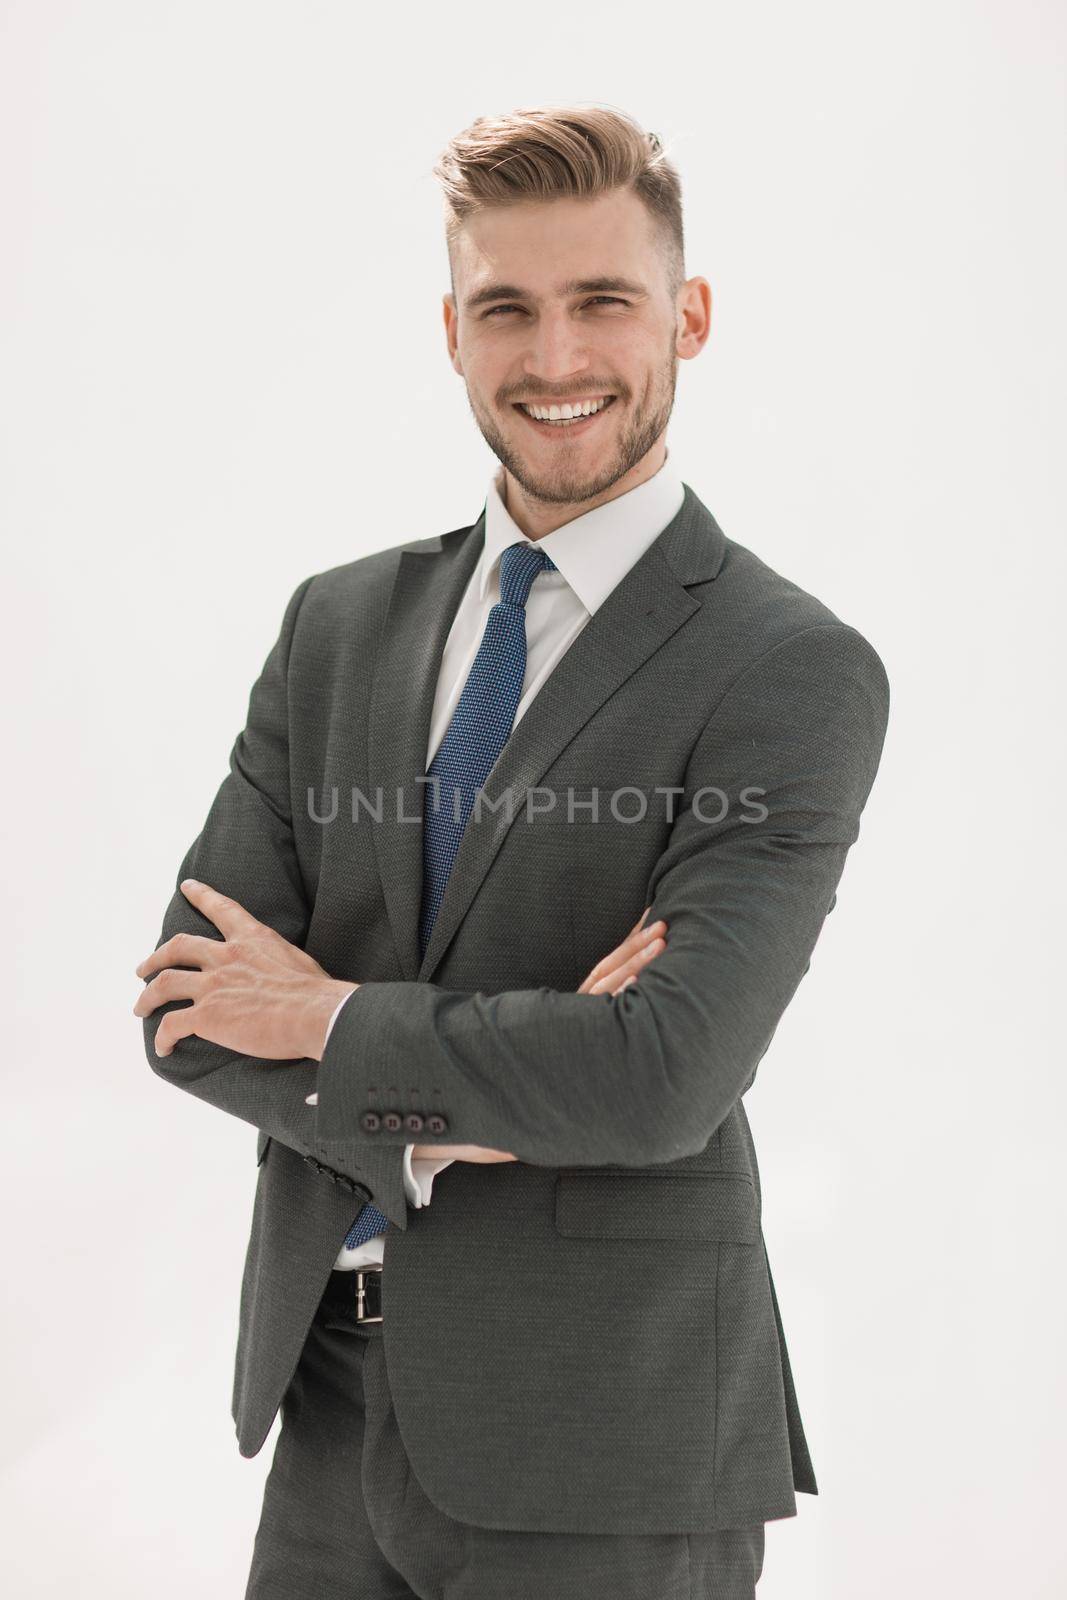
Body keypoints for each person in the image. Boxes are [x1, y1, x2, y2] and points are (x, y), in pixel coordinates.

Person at [134, 103, 890, 1600]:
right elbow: (185, 1011)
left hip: (606, 1430)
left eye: (604, 301)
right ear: (452, 329)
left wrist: (335, 1020)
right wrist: (503, 1078)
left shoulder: (787, 667)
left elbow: (667, 1071)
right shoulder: (337, 626)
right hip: (327, 1418)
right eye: (508, 310)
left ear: (689, 314)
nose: (556, 360)